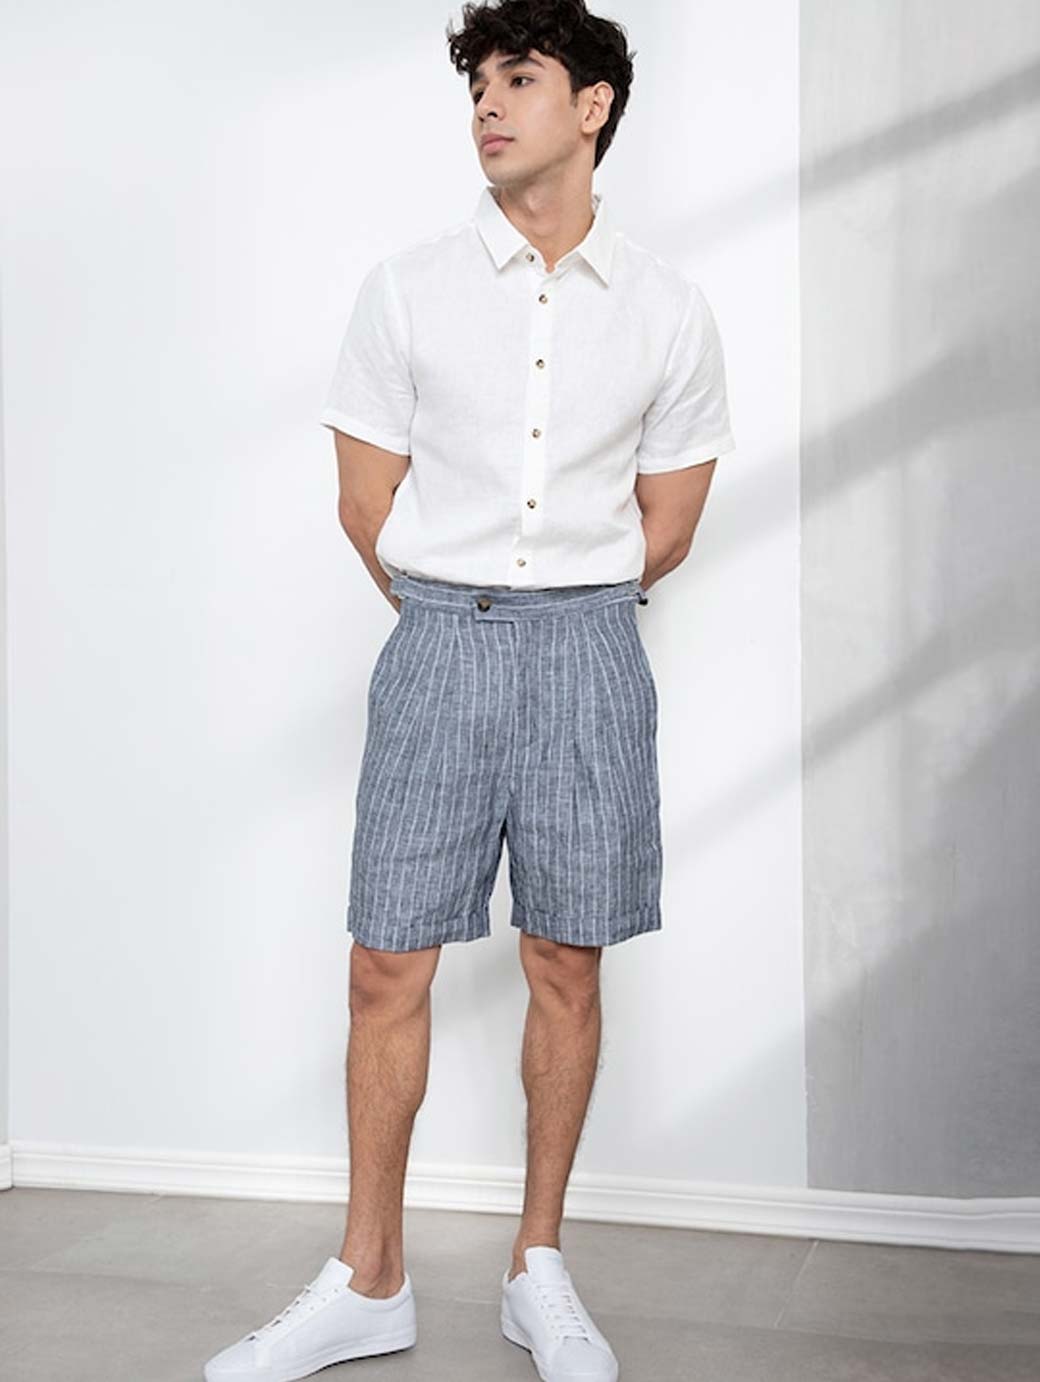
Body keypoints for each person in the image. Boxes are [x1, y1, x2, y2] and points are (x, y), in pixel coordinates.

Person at [204, 2, 734, 1379]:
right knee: (387, 957)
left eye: (520, 78)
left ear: (594, 106)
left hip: (590, 650)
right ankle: (367, 1275)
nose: (488, 106)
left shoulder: (670, 310)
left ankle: (536, 1265)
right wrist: (463, 611)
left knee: (567, 957)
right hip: (438, 639)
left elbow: (670, 523)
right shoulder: (407, 289)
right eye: (478, 86)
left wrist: (564, 608)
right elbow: (364, 503)